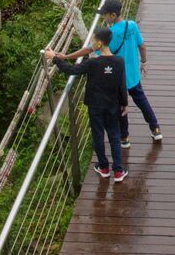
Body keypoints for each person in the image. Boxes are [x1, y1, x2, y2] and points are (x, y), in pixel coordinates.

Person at [52, 0, 162, 148]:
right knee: (141, 100)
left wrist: (66, 57)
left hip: (117, 78)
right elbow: (142, 46)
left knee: (120, 107)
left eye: (105, 15)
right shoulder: (132, 25)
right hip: (133, 75)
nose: (103, 18)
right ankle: (155, 128)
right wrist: (144, 62)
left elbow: (89, 49)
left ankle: (125, 137)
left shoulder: (110, 33)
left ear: (113, 15)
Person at [44, 28, 128, 181]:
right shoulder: (119, 61)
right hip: (112, 105)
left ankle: (103, 167)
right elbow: (122, 84)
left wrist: (54, 58)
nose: (91, 43)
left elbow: (71, 70)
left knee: (98, 136)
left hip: (95, 106)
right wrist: (125, 103)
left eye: (93, 40)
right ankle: (118, 171)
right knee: (114, 136)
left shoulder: (92, 63)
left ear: (100, 43)